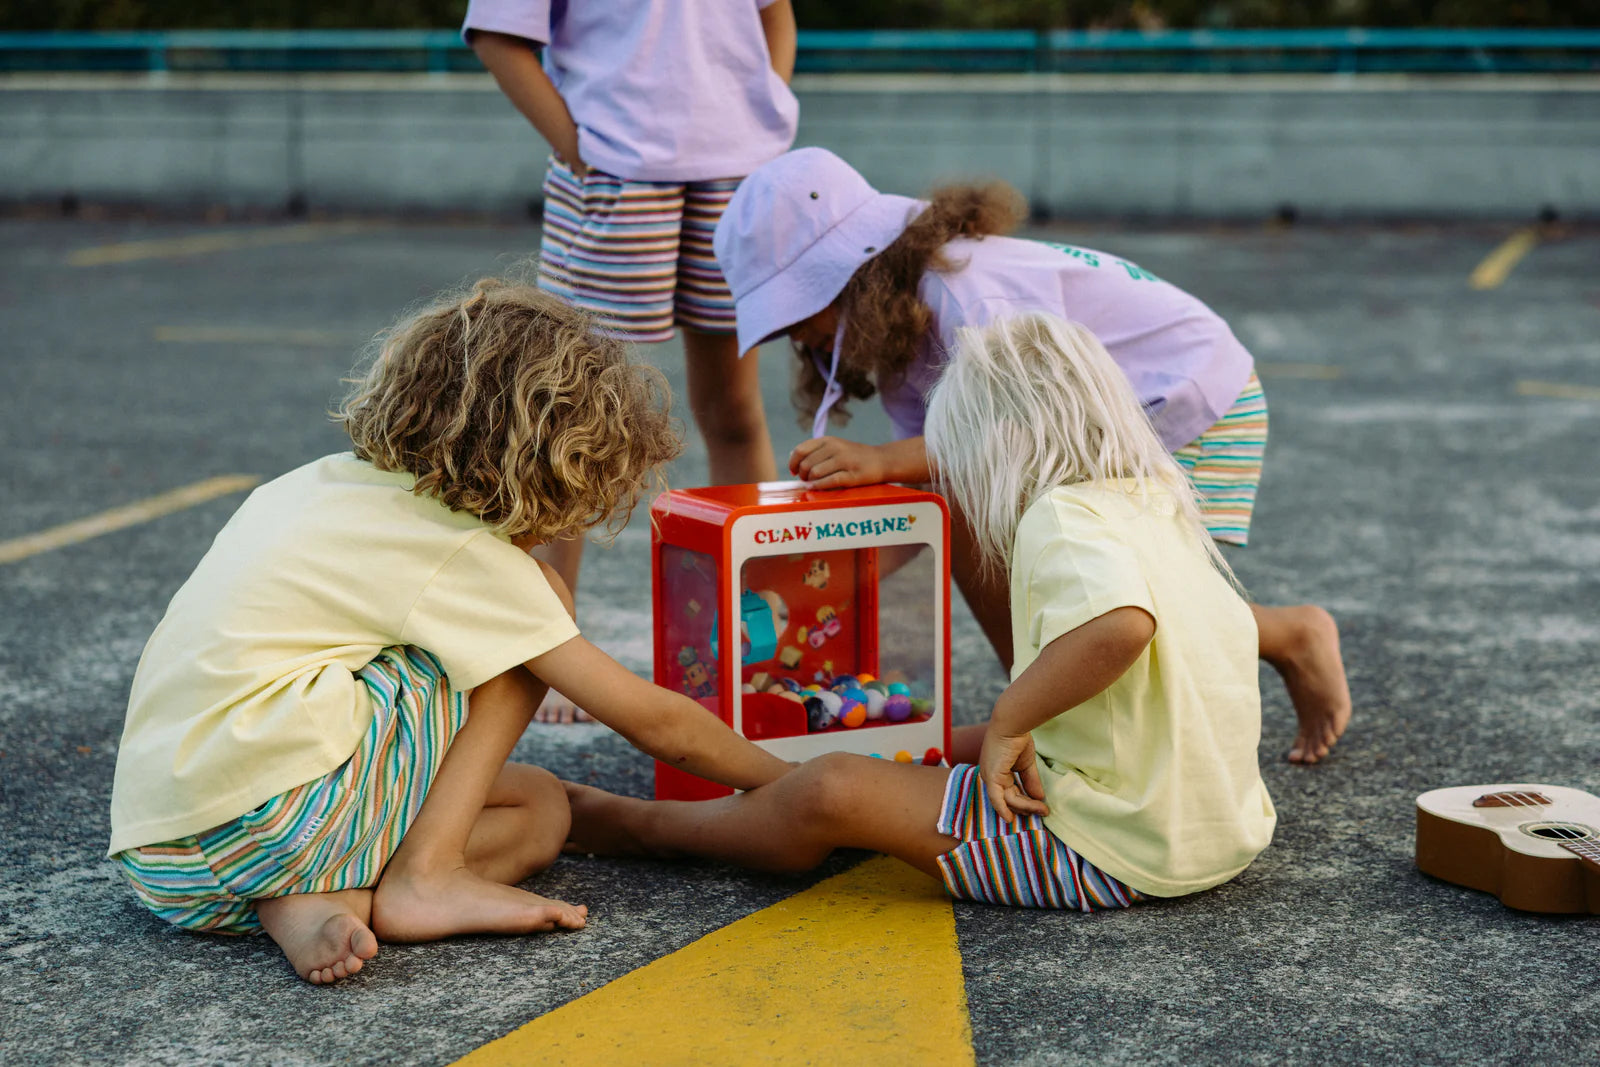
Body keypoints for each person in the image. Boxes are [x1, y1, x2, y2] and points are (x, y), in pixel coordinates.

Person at [108, 281, 792, 985]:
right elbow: (656, 722)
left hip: (166, 857)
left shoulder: (309, 486)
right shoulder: (459, 552)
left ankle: (314, 903)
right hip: (277, 814)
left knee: (539, 810)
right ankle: (424, 877)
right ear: (549, 470)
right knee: (539, 608)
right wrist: (789, 782)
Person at [564, 315, 1276, 911]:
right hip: (1212, 832)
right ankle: (774, 774)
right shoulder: (1155, 496)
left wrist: (1011, 719)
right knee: (938, 742)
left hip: (1105, 851)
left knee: (832, 788)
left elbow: (1121, 625)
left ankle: (646, 825)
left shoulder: (1063, 516)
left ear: (1000, 447)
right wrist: (1001, 731)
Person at [712, 147, 1351, 764]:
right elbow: (941, 482)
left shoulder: (967, 296)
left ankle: (1290, 637)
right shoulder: (907, 326)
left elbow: (1020, 423)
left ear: (855, 272)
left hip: (1186, 403)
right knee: (1022, 545)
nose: (795, 335)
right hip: (1105, 419)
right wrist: (823, 581)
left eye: (798, 311)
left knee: (1144, 590)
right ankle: (1041, 702)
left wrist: (881, 462)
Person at [465, 0, 799, 720]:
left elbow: (776, 13)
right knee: (570, 407)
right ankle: (549, 643)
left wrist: (766, 106)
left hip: (740, 174)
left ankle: (758, 640)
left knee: (737, 408)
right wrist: (580, 147)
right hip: (618, 172)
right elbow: (497, 33)